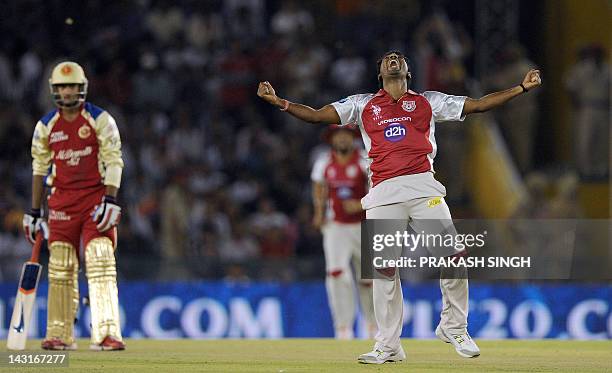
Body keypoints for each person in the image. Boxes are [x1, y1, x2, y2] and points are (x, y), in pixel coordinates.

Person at [257, 50, 541, 364]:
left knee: (455, 255)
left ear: (407, 70)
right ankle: (388, 345)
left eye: (400, 57)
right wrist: (280, 102)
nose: (394, 58)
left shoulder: (428, 101)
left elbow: (477, 105)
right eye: (387, 58)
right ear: (380, 72)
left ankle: (454, 328)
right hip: (383, 192)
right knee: (382, 270)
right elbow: (316, 114)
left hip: (424, 188)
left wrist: (521, 89)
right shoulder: (362, 104)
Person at [23, 61, 125, 351]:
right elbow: (39, 169)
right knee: (61, 264)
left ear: (83, 88)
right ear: (54, 90)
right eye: (62, 87)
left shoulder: (100, 119)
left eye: (72, 86)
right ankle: (59, 334)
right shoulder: (45, 126)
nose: (68, 92)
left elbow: (114, 159)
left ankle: (107, 332)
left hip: (95, 201)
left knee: (100, 257)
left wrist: (110, 199)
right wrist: (33, 212)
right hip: (61, 204)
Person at [311, 125, 375, 340]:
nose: (342, 139)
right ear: (332, 139)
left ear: (352, 138)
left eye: (346, 135)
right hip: (335, 225)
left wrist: (361, 205)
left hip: (364, 226)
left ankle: (373, 326)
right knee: (336, 274)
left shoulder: (365, 160)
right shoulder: (324, 162)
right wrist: (319, 213)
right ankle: (343, 327)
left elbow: (378, 187)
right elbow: (319, 188)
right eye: (338, 136)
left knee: (370, 278)